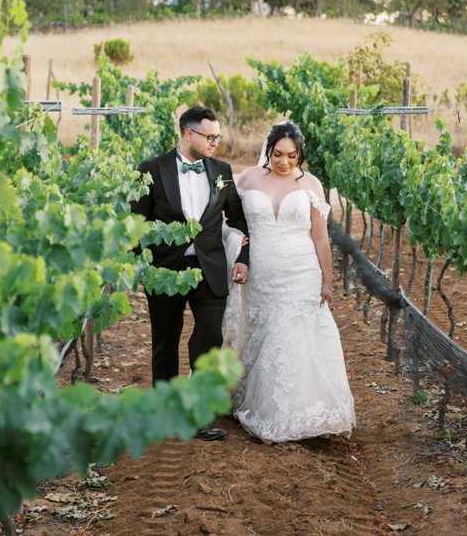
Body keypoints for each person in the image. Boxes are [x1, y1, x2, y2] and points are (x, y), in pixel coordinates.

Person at [228, 121, 356, 443]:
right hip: (262, 274)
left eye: (291, 156)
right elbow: (236, 224)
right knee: (264, 335)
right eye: (277, 154)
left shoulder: (311, 184)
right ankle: (264, 404)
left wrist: (327, 280)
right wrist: (238, 257)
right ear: (267, 151)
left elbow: (322, 238)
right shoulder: (248, 178)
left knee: (295, 338)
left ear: (300, 155)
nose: (284, 162)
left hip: (301, 272)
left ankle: (296, 414)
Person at [130, 106, 250, 441]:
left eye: (218, 136)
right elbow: (134, 224)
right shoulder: (151, 169)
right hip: (165, 271)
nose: (216, 142)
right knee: (165, 341)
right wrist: (141, 267)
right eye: (210, 136)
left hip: (209, 269)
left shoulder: (223, 171)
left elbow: (239, 220)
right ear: (188, 134)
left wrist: (242, 257)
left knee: (209, 337)